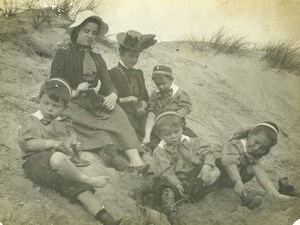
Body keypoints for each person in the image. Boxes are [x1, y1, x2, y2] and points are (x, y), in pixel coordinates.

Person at [50, 10, 148, 174]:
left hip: (92, 101)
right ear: (77, 31)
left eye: (94, 33)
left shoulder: (97, 57)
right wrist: (73, 91)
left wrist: (113, 94)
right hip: (70, 102)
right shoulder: (63, 54)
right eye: (86, 31)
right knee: (96, 128)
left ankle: (136, 161)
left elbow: (108, 83)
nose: (90, 36)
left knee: (117, 113)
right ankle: (115, 160)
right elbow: (54, 84)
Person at [18, 78, 122, 225]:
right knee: (58, 158)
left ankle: (106, 217)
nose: (49, 109)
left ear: (64, 107)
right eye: (45, 103)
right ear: (39, 99)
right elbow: (26, 144)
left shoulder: (63, 123)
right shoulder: (34, 120)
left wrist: (73, 147)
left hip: (57, 170)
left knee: (78, 187)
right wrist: (52, 143)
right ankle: (87, 179)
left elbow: (68, 145)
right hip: (35, 163)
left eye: (55, 106)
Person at [151, 111, 220, 225]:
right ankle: (170, 212)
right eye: (167, 134)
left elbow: (208, 151)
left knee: (215, 171)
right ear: (160, 135)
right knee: (165, 188)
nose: (173, 136)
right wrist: (177, 184)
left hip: (194, 177)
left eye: (176, 132)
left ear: (182, 128)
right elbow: (167, 171)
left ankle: (197, 186)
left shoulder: (192, 141)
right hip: (175, 179)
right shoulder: (160, 151)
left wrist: (206, 167)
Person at [218, 122, 294, 209]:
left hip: (227, 180)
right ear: (250, 134)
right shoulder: (236, 144)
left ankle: (275, 194)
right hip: (219, 171)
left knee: (256, 166)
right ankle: (244, 196)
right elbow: (227, 161)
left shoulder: (252, 155)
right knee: (250, 165)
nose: (257, 148)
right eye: (256, 142)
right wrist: (238, 181)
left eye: (263, 148)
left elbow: (261, 173)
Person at [109, 30, 156, 140]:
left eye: (137, 56)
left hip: (140, 113)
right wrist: (128, 99)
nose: (134, 60)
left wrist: (144, 103)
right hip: (122, 114)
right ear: (121, 53)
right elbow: (106, 98)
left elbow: (145, 97)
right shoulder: (113, 73)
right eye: (130, 56)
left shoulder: (139, 74)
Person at [143, 65, 197, 150]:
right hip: (161, 128)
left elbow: (186, 107)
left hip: (177, 126)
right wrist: (147, 134)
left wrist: (174, 116)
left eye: (163, 83)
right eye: (158, 85)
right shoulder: (155, 95)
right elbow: (152, 112)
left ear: (171, 80)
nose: (161, 87)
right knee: (158, 145)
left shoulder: (179, 93)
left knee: (193, 142)